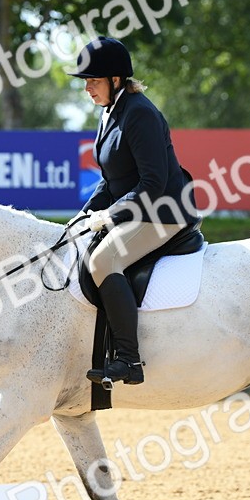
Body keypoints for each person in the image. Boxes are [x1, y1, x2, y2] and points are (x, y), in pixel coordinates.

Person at [67, 36, 201, 386]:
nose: (87, 90)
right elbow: (111, 181)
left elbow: (153, 182)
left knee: (103, 260)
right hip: (139, 208)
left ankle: (128, 359)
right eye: (85, 82)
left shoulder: (139, 113)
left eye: (93, 81)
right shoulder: (109, 112)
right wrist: (82, 217)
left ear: (115, 80)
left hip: (164, 211)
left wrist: (111, 215)